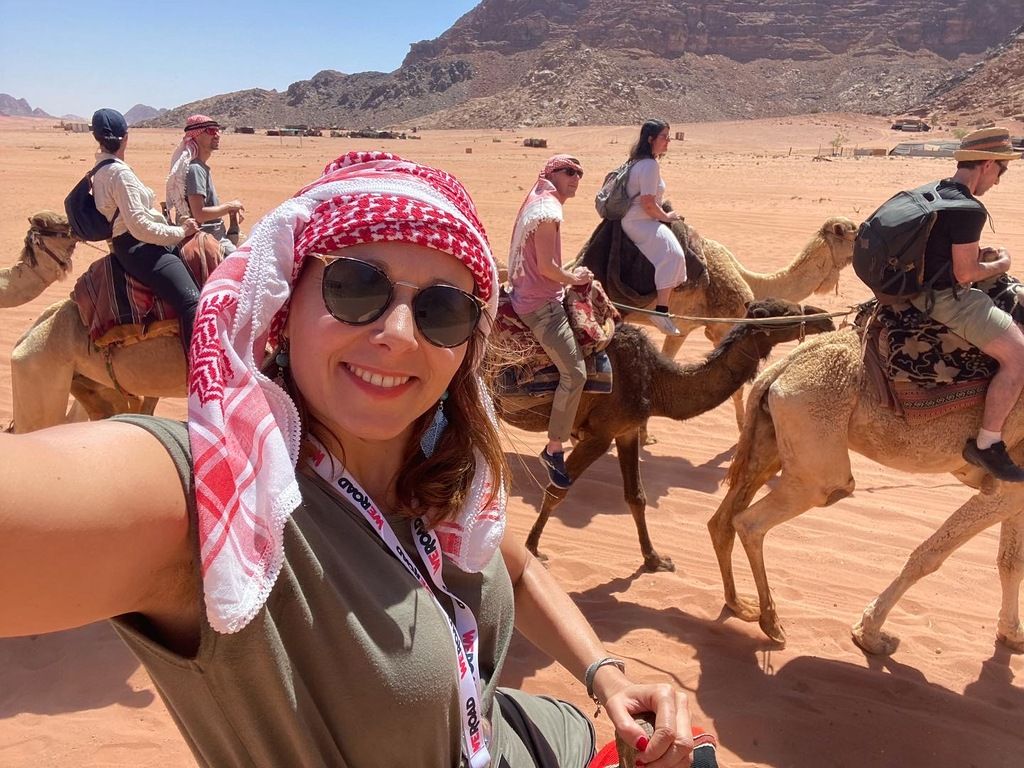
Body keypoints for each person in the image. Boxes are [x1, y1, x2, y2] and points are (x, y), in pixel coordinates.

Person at [2, 152, 706, 767]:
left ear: (468, 342)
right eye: (356, 288)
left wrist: (605, 672)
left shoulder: (438, 464)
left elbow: (509, 566)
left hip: (537, 738)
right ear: (285, 300)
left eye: (442, 312)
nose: (399, 335)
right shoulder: (219, 498)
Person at [906, 127, 1024, 481]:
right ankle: (988, 443)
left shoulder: (934, 191)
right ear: (988, 164)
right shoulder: (968, 208)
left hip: (914, 287)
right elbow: (965, 274)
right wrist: (1000, 264)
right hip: (943, 299)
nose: (999, 180)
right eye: (1001, 170)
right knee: (1019, 357)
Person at [508, 155, 592, 489]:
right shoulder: (548, 211)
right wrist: (576, 278)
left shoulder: (540, 201)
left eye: (579, 174)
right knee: (576, 373)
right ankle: (554, 447)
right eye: (569, 172)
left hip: (536, 293)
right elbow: (546, 268)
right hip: (540, 305)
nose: (575, 178)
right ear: (551, 174)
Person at [89, 107, 201, 354]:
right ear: (126, 137)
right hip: (139, 247)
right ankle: (200, 376)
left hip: (131, 244)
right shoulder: (119, 174)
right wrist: (180, 232)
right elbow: (139, 226)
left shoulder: (100, 171)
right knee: (192, 301)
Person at [620, 119, 688, 336]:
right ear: (650, 139)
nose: (668, 141)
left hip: (637, 219)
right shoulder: (649, 165)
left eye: (668, 136)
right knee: (674, 255)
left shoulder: (638, 162)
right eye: (664, 137)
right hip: (640, 222)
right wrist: (667, 217)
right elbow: (648, 203)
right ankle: (661, 311)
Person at [166, 114, 245, 255]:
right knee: (244, 265)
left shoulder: (200, 167)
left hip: (215, 234)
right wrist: (230, 207)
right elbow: (199, 214)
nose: (217, 135)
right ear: (196, 136)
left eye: (217, 130)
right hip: (211, 238)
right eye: (210, 131)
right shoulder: (196, 169)